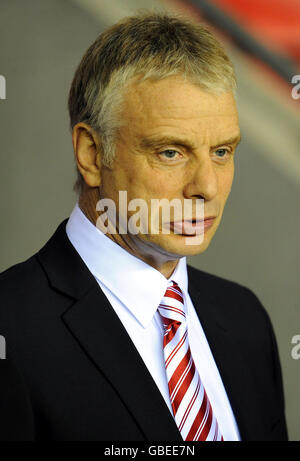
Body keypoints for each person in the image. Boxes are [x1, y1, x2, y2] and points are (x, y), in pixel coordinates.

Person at [0, 12, 288, 441]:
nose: (206, 186)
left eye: (223, 152)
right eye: (171, 152)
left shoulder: (245, 319)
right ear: (92, 154)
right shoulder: (11, 329)